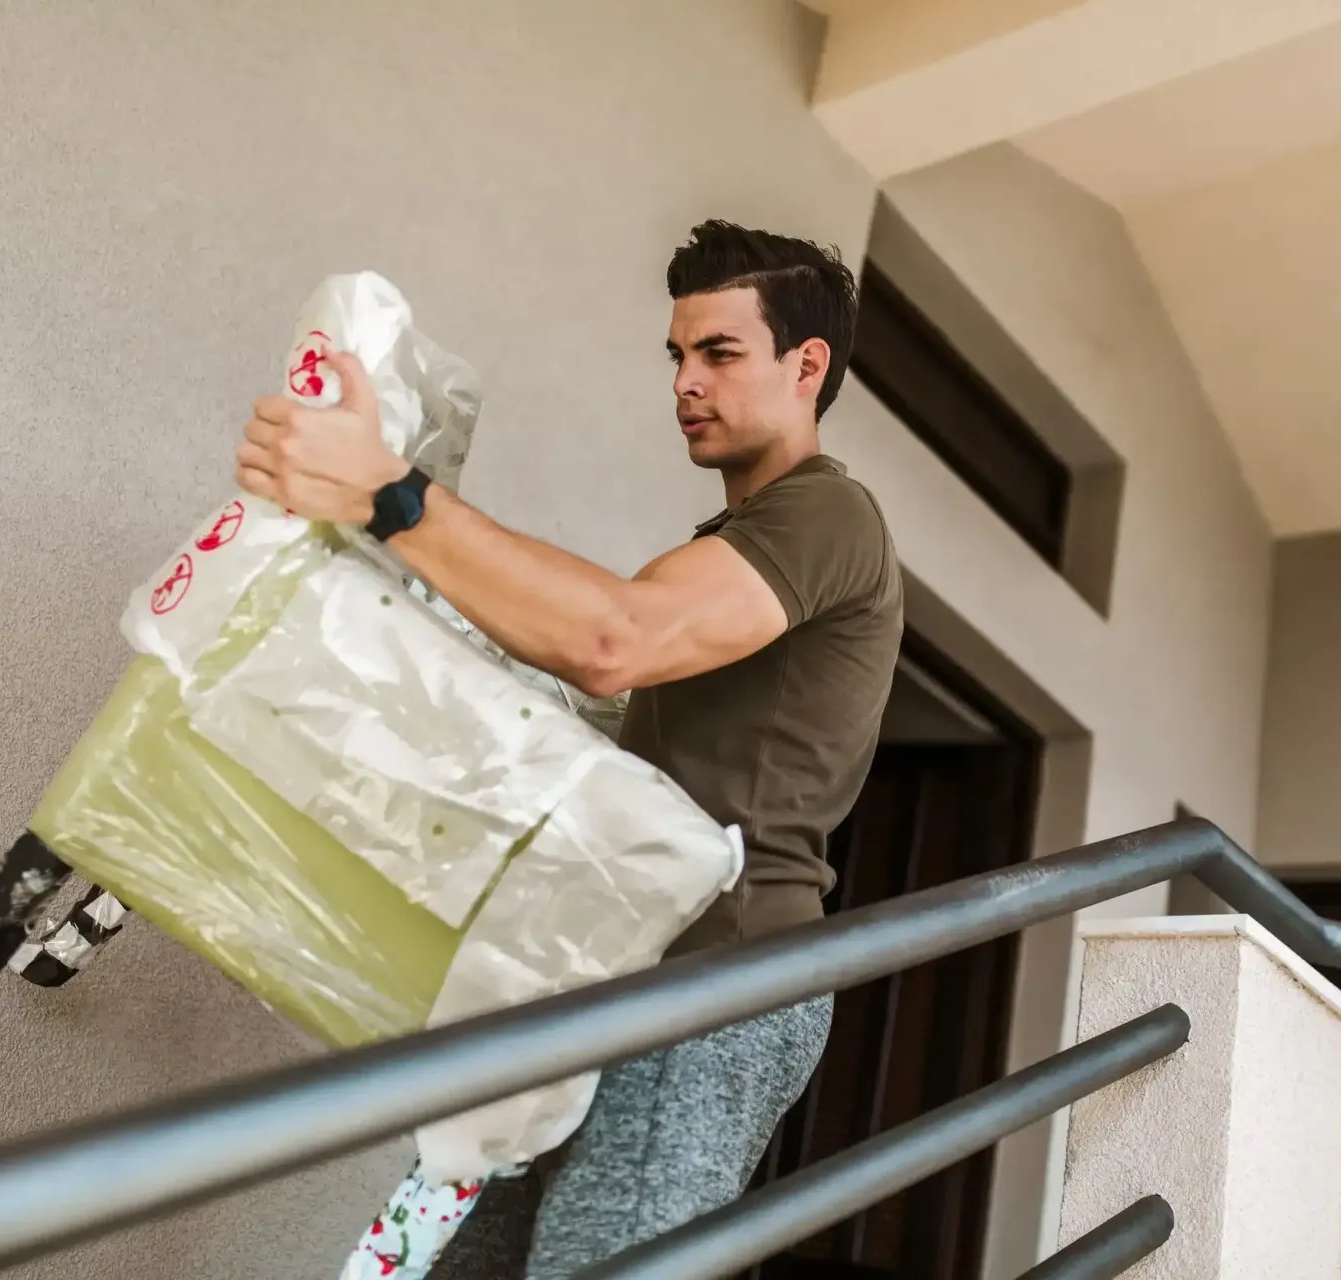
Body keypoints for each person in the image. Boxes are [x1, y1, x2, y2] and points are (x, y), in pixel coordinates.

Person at [235, 220, 903, 1278]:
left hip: (716, 975)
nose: (686, 381)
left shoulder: (829, 518)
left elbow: (609, 638)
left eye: (720, 353)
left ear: (806, 365)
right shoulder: (717, 550)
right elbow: (577, 655)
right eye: (677, 355)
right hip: (604, 966)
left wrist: (388, 492)